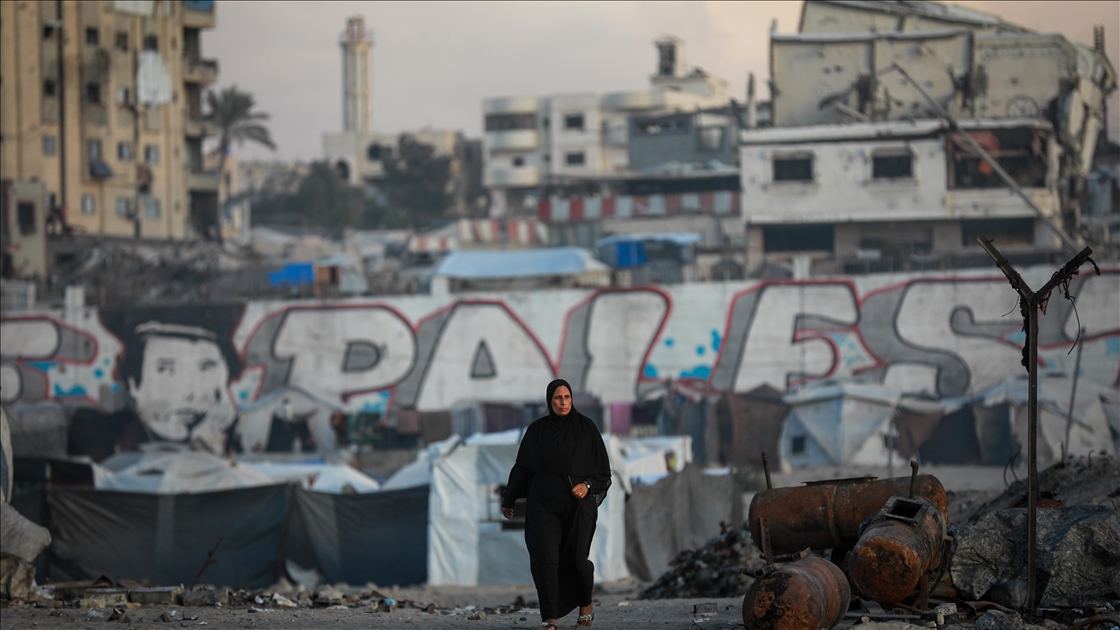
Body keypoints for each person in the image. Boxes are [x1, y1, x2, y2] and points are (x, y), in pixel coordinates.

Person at [502, 379, 612, 629]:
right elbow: (523, 468)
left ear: (572, 399)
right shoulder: (537, 431)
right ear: (549, 401)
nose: (563, 402)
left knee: (576, 561)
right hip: (543, 506)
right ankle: (549, 619)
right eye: (557, 398)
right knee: (545, 559)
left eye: (567, 397)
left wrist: (587, 486)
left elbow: (603, 474)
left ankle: (586, 603)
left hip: (578, 508)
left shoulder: (587, 429)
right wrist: (509, 499)